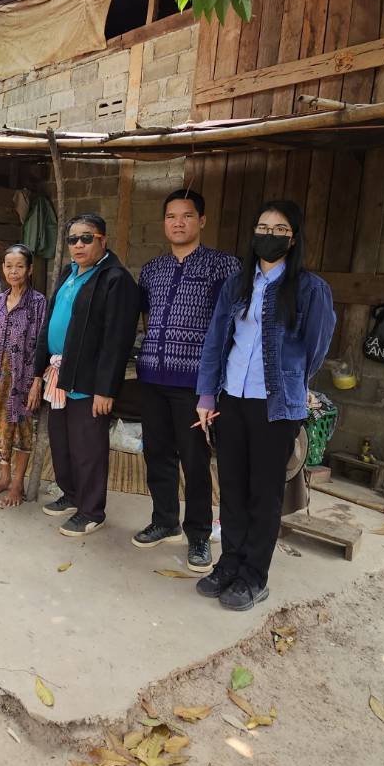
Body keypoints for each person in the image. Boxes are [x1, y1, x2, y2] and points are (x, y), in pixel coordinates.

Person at [195, 200, 336, 610]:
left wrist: (290, 383)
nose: (268, 235)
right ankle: (229, 565)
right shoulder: (237, 284)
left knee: (264, 494)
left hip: (274, 408)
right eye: (262, 226)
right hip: (231, 400)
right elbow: (216, 343)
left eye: (279, 229)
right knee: (234, 488)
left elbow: (316, 348)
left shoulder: (311, 289)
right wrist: (207, 396)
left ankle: (254, 575)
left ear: (294, 239)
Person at [134, 189, 241, 572]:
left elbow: (231, 325)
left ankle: (198, 535)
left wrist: (215, 384)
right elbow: (147, 316)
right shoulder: (152, 269)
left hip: (195, 383)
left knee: (195, 460)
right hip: (151, 375)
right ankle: (164, 521)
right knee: (156, 452)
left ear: (202, 221)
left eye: (186, 216)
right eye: (171, 216)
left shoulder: (224, 267)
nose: (178, 223)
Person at [31, 214, 140, 537]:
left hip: (89, 380)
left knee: (87, 446)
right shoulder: (69, 272)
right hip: (59, 374)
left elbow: (116, 340)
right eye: (72, 239)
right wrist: (38, 371)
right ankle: (72, 493)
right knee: (62, 440)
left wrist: (106, 390)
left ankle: (92, 510)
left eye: (86, 238)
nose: (78, 245)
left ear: (102, 240)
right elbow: (50, 322)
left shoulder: (115, 279)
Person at [0, 245, 47, 509]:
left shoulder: (38, 303)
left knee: (21, 430)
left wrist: (37, 381)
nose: (14, 271)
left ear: (29, 269)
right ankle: (4, 477)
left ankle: (18, 482)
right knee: (0, 427)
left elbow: (43, 343)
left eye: (20, 266)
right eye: (9, 265)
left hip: (23, 379)